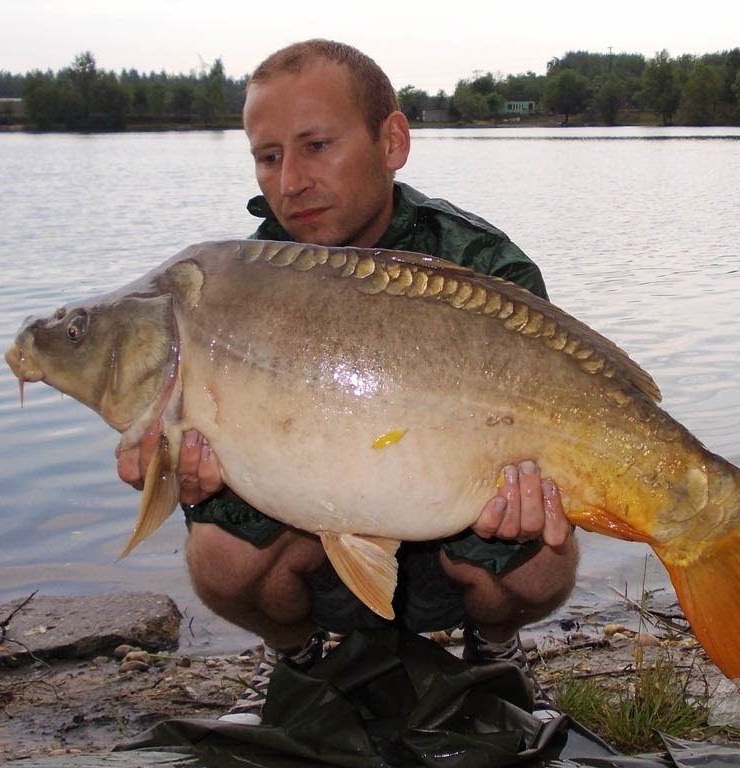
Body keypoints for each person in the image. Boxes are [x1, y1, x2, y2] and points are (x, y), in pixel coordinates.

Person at [117, 39, 578, 725]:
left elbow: (556, 438)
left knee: (541, 561)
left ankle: (493, 646)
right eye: (269, 157)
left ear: (392, 141)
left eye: (316, 146)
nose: (291, 182)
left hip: (451, 551)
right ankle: (298, 654)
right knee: (217, 555)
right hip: (317, 540)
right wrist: (207, 475)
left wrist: (530, 500)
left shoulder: (484, 267)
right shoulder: (234, 289)